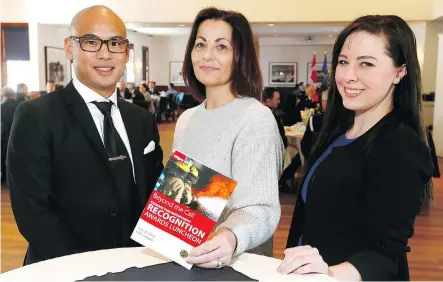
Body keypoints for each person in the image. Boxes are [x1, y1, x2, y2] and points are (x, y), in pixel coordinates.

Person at [280, 15, 434, 281]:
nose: (349, 76)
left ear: (400, 71)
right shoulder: (338, 131)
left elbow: (386, 255)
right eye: (343, 62)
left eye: (366, 64)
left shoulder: (401, 147)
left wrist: (328, 273)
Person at [7, 5, 164, 265]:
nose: (105, 54)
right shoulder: (35, 116)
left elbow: (153, 195)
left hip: (134, 265)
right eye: (91, 42)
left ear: (126, 53)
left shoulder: (142, 120)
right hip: (63, 269)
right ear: (70, 48)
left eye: (115, 43)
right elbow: (33, 211)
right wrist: (87, 270)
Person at [174, 7, 283, 269]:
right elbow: (181, 196)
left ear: (239, 56)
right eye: (200, 45)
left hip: (237, 265)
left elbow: (261, 208)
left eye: (221, 47)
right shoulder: (186, 119)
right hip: (187, 258)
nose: (207, 55)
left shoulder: (255, 118)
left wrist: (230, 236)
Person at [1, 87, 19, 183]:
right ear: (13, 95)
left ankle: (4, 178)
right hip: (18, 139)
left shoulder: (1, 107)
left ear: (4, 96)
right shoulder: (20, 105)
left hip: (4, 139)